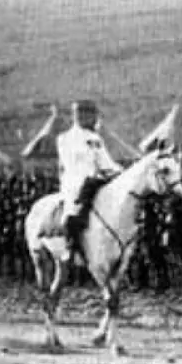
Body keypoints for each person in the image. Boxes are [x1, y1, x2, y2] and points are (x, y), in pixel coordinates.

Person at [56, 100, 124, 263]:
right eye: (87, 115)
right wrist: (93, 174)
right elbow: (71, 163)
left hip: (95, 179)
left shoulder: (95, 138)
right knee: (73, 209)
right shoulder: (65, 138)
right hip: (75, 180)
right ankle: (71, 245)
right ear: (78, 116)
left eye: (93, 115)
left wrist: (120, 171)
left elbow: (105, 161)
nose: (92, 119)